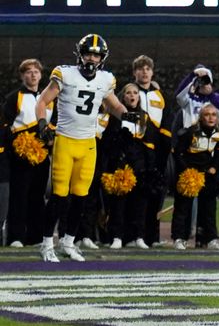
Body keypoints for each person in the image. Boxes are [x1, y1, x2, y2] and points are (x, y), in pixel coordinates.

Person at [35, 34, 137, 262]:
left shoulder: (105, 80)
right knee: (59, 196)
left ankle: (69, 242)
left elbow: (115, 105)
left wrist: (127, 115)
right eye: (88, 53)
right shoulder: (65, 74)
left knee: (81, 196)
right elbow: (42, 101)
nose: (91, 58)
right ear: (80, 54)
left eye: (96, 54)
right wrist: (42, 123)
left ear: (102, 58)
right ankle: (46, 243)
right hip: (65, 140)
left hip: (89, 143)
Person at [101, 83, 158, 250]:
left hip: (139, 165)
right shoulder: (116, 115)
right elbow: (108, 142)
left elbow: (150, 144)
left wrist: (150, 168)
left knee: (140, 204)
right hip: (121, 164)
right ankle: (117, 237)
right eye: (128, 93)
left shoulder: (145, 116)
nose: (132, 96)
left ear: (139, 97)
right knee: (118, 204)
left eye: (135, 93)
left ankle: (138, 236)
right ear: (123, 97)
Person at [4, 59, 52, 248]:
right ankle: (15, 237)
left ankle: (35, 237)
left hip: (42, 154)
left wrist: (50, 139)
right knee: (19, 196)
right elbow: (6, 125)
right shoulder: (14, 97)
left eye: (36, 71)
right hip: (20, 155)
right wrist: (16, 147)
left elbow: (54, 121)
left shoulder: (49, 98)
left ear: (41, 75)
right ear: (22, 75)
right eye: (28, 72)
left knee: (38, 196)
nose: (32, 75)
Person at [171, 103, 219, 250]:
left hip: (207, 174)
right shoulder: (190, 133)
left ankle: (210, 239)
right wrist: (186, 170)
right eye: (207, 115)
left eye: (214, 115)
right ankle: (179, 238)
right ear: (201, 118)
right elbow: (178, 153)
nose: (211, 117)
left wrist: (214, 167)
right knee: (184, 208)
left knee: (209, 208)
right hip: (189, 173)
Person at [132, 55, 171, 246]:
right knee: (137, 195)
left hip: (157, 152)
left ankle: (152, 238)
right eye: (140, 68)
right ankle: (134, 235)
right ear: (135, 73)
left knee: (156, 194)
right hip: (137, 150)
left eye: (148, 68)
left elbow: (166, 123)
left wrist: (163, 149)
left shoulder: (159, 95)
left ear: (152, 72)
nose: (144, 71)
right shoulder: (130, 92)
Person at [175, 65, 219, 130]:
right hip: (193, 137)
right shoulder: (189, 100)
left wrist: (210, 95)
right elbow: (178, 96)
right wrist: (192, 75)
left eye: (206, 80)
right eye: (199, 81)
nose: (203, 83)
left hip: (213, 138)